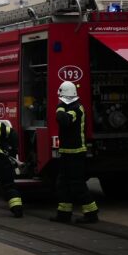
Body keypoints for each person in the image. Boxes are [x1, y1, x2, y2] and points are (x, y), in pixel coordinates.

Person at [51, 81, 99, 224]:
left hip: (76, 153)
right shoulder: (70, 107)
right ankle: (63, 214)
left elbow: (63, 120)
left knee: (77, 184)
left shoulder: (76, 108)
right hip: (67, 152)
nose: (59, 99)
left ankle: (91, 213)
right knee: (62, 184)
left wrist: (59, 108)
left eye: (60, 96)